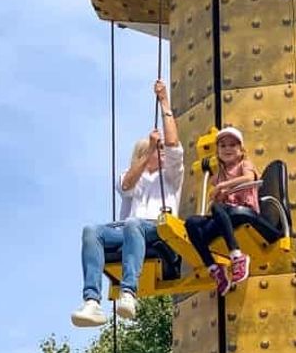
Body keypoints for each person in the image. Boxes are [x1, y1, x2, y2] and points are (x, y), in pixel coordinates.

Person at [71, 81, 184, 327]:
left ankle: (129, 291)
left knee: (134, 224)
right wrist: (147, 154)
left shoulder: (171, 177)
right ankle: (92, 300)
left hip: (159, 231)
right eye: (157, 150)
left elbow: (175, 146)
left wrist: (164, 102)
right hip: (130, 231)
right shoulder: (134, 176)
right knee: (92, 231)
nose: (162, 152)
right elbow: (125, 186)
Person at [184, 126, 260, 296]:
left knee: (219, 208)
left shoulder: (244, 164)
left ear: (241, 150)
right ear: (217, 151)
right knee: (192, 223)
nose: (227, 149)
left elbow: (249, 178)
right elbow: (215, 199)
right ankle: (214, 268)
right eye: (223, 146)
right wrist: (216, 194)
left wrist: (223, 186)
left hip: (243, 211)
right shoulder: (218, 175)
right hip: (225, 216)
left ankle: (236, 256)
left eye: (232, 145)